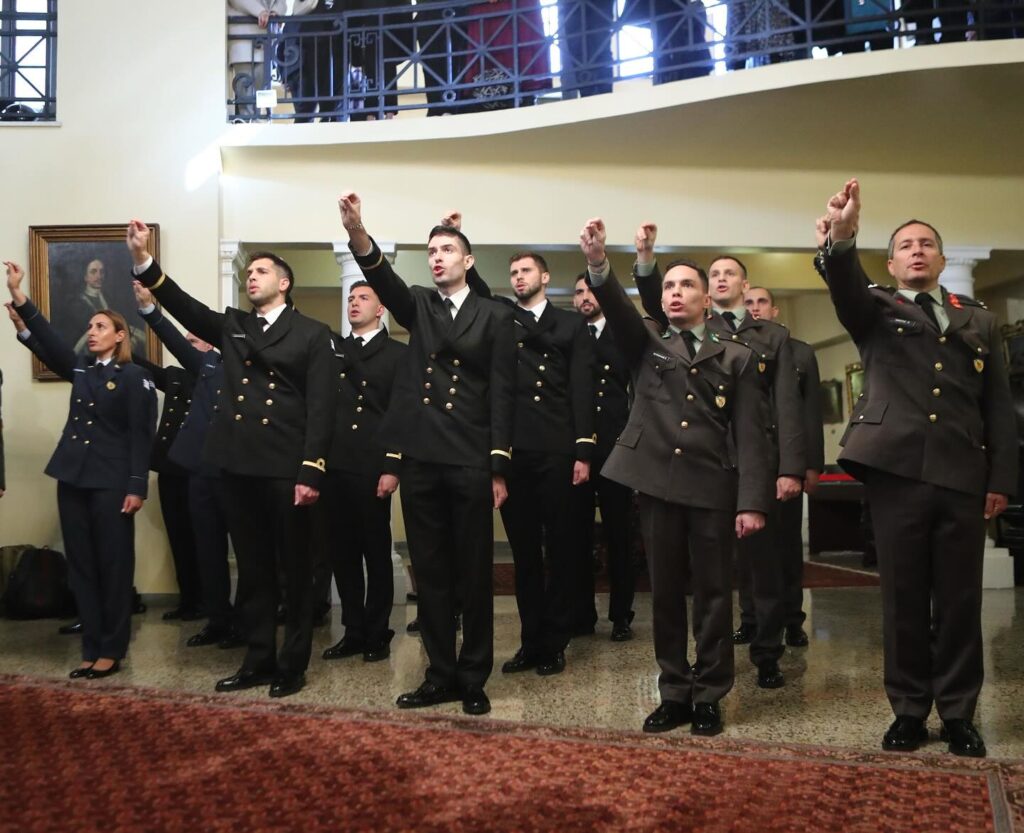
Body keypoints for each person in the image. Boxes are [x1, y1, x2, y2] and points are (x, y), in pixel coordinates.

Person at [819, 179, 1016, 757]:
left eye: (926, 243)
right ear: (892, 263)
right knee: (903, 597)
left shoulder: (977, 320)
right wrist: (843, 236)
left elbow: (997, 408)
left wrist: (1001, 480)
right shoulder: (875, 308)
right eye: (905, 245)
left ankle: (958, 712)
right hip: (897, 472)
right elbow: (844, 285)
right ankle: (908, 710)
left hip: (962, 474)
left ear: (942, 259)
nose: (917, 251)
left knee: (960, 600)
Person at [578, 219, 772, 736]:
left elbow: (752, 435)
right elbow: (619, 307)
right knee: (664, 594)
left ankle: (709, 694)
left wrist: (752, 501)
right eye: (668, 286)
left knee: (714, 594)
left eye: (687, 285)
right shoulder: (646, 343)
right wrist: (599, 263)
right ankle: (673, 692)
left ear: (708, 300)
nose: (676, 293)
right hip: (658, 486)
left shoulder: (737, 356)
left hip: (713, 486)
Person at [127, 220, 335, 698]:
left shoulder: (312, 334)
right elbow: (185, 307)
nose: (251, 277)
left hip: (286, 467)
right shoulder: (235, 326)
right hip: (238, 466)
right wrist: (143, 261)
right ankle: (258, 660)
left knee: (294, 573)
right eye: (249, 272)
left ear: (284, 282)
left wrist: (312, 469)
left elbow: (322, 407)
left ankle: (292, 666)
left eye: (261, 271)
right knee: (254, 570)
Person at [339, 192, 516, 716]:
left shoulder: (494, 314)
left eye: (447, 250)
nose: (437, 257)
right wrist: (357, 232)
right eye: (432, 250)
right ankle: (439, 674)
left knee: (474, 573)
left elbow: (503, 393)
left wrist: (499, 466)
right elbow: (382, 276)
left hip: (470, 458)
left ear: (468, 260)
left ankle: (473, 677)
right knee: (432, 574)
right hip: (421, 458)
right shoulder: (419, 303)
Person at [634, 229, 805, 690]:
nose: (721, 278)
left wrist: (787, 469)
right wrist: (644, 261)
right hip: (690, 466)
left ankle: (766, 652)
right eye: (714, 272)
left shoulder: (768, 337)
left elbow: (782, 410)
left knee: (756, 569)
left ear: (737, 288)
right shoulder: (673, 335)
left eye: (729, 273)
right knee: (683, 583)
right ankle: (682, 680)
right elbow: (654, 305)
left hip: (744, 466)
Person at [6, 260, 156, 680]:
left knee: (113, 566)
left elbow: (141, 436)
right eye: (90, 326)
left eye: (101, 326)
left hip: (112, 483)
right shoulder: (82, 371)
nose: (92, 332)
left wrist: (136, 486)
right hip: (73, 478)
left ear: (120, 335)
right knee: (82, 567)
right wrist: (20, 298)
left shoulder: (135, 377)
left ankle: (112, 648)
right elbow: (50, 340)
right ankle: (91, 647)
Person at [486, 252, 594, 677]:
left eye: (526, 270)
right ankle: (531, 641)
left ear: (545, 277)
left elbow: (582, 388)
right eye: (513, 272)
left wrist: (583, 450)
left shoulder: (569, 324)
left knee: (562, 549)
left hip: (558, 448)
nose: (518, 277)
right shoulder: (504, 323)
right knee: (524, 553)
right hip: (517, 451)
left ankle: (556, 641)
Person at [134, 283, 242, 649]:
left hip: (237, 473)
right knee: (207, 551)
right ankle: (217, 619)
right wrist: (150, 310)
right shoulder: (207, 364)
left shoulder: (251, 368)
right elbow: (175, 342)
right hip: (200, 472)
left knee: (248, 555)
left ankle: (246, 623)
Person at [320, 280, 407, 663]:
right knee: (342, 553)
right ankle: (353, 630)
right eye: (351, 298)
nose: (354, 303)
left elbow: (401, 413)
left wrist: (393, 465)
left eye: (363, 298)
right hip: (334, 463)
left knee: (375, 552)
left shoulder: (397, 354)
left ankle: (377, 631)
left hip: (372, 465)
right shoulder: (333, 351)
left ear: (380, 309)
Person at [743, 286, 825, 647]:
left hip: (786, 463)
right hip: (748, 462)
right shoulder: (737, 347)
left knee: (788, 547)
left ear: (774, 310)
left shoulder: (801, 352)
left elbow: (809, 413)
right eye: (749, 302)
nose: (755, 308)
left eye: (762, 302)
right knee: (747, 549)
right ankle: (751, 620)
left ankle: (793, 619)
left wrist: (811, 465)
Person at [129, 288, 203, 623]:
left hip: (199, 471)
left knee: (202, 538)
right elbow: (145, 368)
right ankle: (189, 600)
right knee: (179, 538)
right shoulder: (174, 376)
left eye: (194, 341)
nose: (187, 345)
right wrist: (122, 347)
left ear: (209, 347)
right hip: (170, 469)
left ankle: (209, 602)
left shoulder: (215, 374)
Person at [571, 273, 636, 641]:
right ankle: (582, 614)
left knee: (619, 535)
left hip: (615, 447)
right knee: (576, 535)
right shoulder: (571, 334)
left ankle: (621, 615)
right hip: (578, 450)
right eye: (579, 292)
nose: (585, 297)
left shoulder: (622, 334)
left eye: (591, 291)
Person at [227, 0, 286, 121]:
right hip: (243, 38)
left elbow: (281, 2)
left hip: (268, 39)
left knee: (264, 91)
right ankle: (247, 124)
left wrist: (276, 12)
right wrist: (260, 11)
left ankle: (264, 123)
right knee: (245, 92)